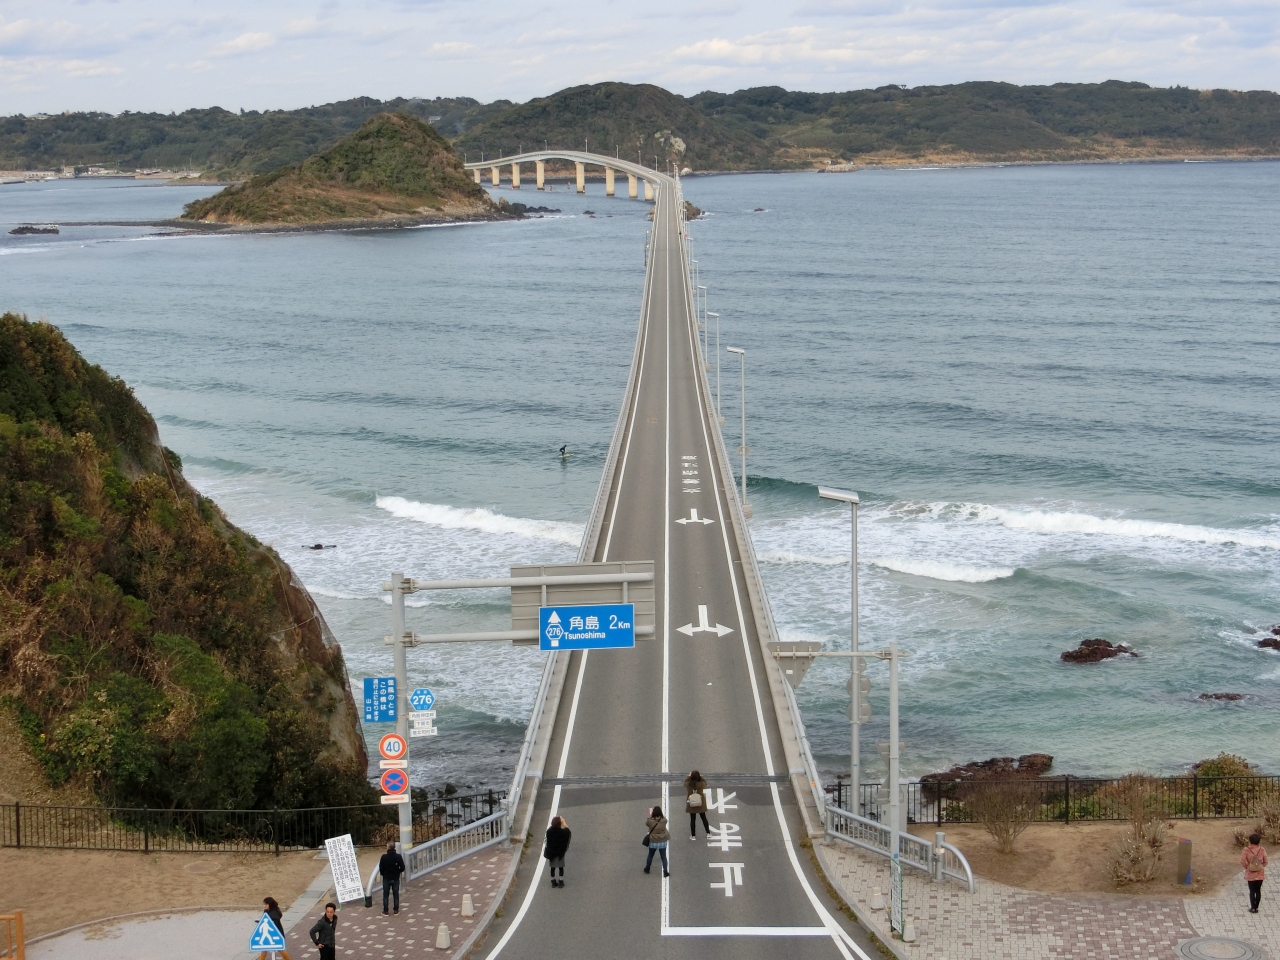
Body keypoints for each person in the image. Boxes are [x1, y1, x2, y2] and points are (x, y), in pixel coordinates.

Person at [1241, 833, 1268, 913]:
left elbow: (1242, 861)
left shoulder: (1246, 850)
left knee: (1252, 891)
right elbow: (1266, 861)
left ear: (1250, 841)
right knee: (1258, 890)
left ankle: (1252, 907)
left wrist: (1248, 867)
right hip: (1260, 874)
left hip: (1250, 874)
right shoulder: (1262, 850)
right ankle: (1257, 907)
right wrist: (1260, 866)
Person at [544, 815, 572, 888]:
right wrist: (564, 822)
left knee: (552, 868)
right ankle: (561, 881)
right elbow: (567, 830)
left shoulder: (549, 832)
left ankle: (553, 882)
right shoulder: (563, 832)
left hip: (552, 853)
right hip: (560, 853)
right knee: (561, 867)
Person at [379, 841, 406, 915]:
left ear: (388, 847)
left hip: (386, 878)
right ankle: (396, 910)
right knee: (395, 894)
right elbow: (403, 867)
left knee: (385, 895)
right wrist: (398, 872)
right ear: (395, 847)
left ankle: (385, 910)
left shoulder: (384, 857)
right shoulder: (398, 856)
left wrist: (383, 874)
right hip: (395, 877)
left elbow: (381, 868)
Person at [644, 805, 670, 877]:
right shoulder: (664, 820)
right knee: (663, 857)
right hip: (662, 841)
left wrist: (651, 816)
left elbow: (647, 823)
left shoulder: (650, 821)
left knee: (650, 855)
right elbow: (665, 820)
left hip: (653, 841)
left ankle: (647, 868)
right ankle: (665, 871)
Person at [684, 770, 710, 839]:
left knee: (692, 819)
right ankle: (708, 833)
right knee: (704, 818)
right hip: (700, 803)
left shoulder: (688, 784)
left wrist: (688, 777)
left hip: (691, 803)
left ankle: (693, 835)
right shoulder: (701, 784)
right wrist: (701, 777)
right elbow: (705, 783)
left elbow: (684, 783)